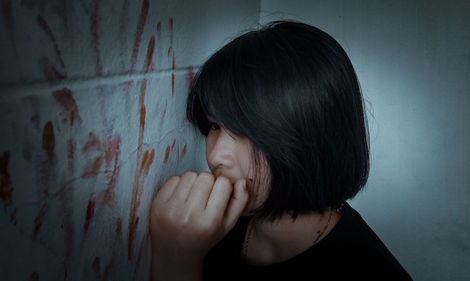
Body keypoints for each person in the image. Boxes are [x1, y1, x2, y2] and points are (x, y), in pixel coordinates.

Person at [150, 20, 413, 280]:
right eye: (214, 126)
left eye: (247, 131)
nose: (217, 155)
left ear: (311, 138)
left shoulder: (369, 269)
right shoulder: (208, 227)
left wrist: (177, 261)